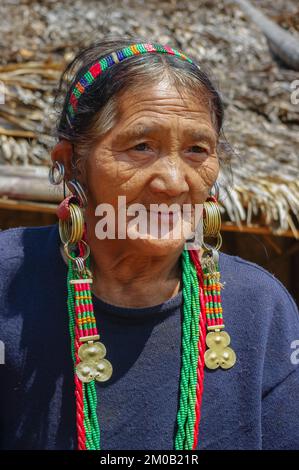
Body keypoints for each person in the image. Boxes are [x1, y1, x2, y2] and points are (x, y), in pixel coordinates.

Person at [0, 37, 299, 451]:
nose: (174, 183)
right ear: (71, 163)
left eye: (197, 149)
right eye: (141, 147)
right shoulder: (7, 281)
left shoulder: (261, 309)